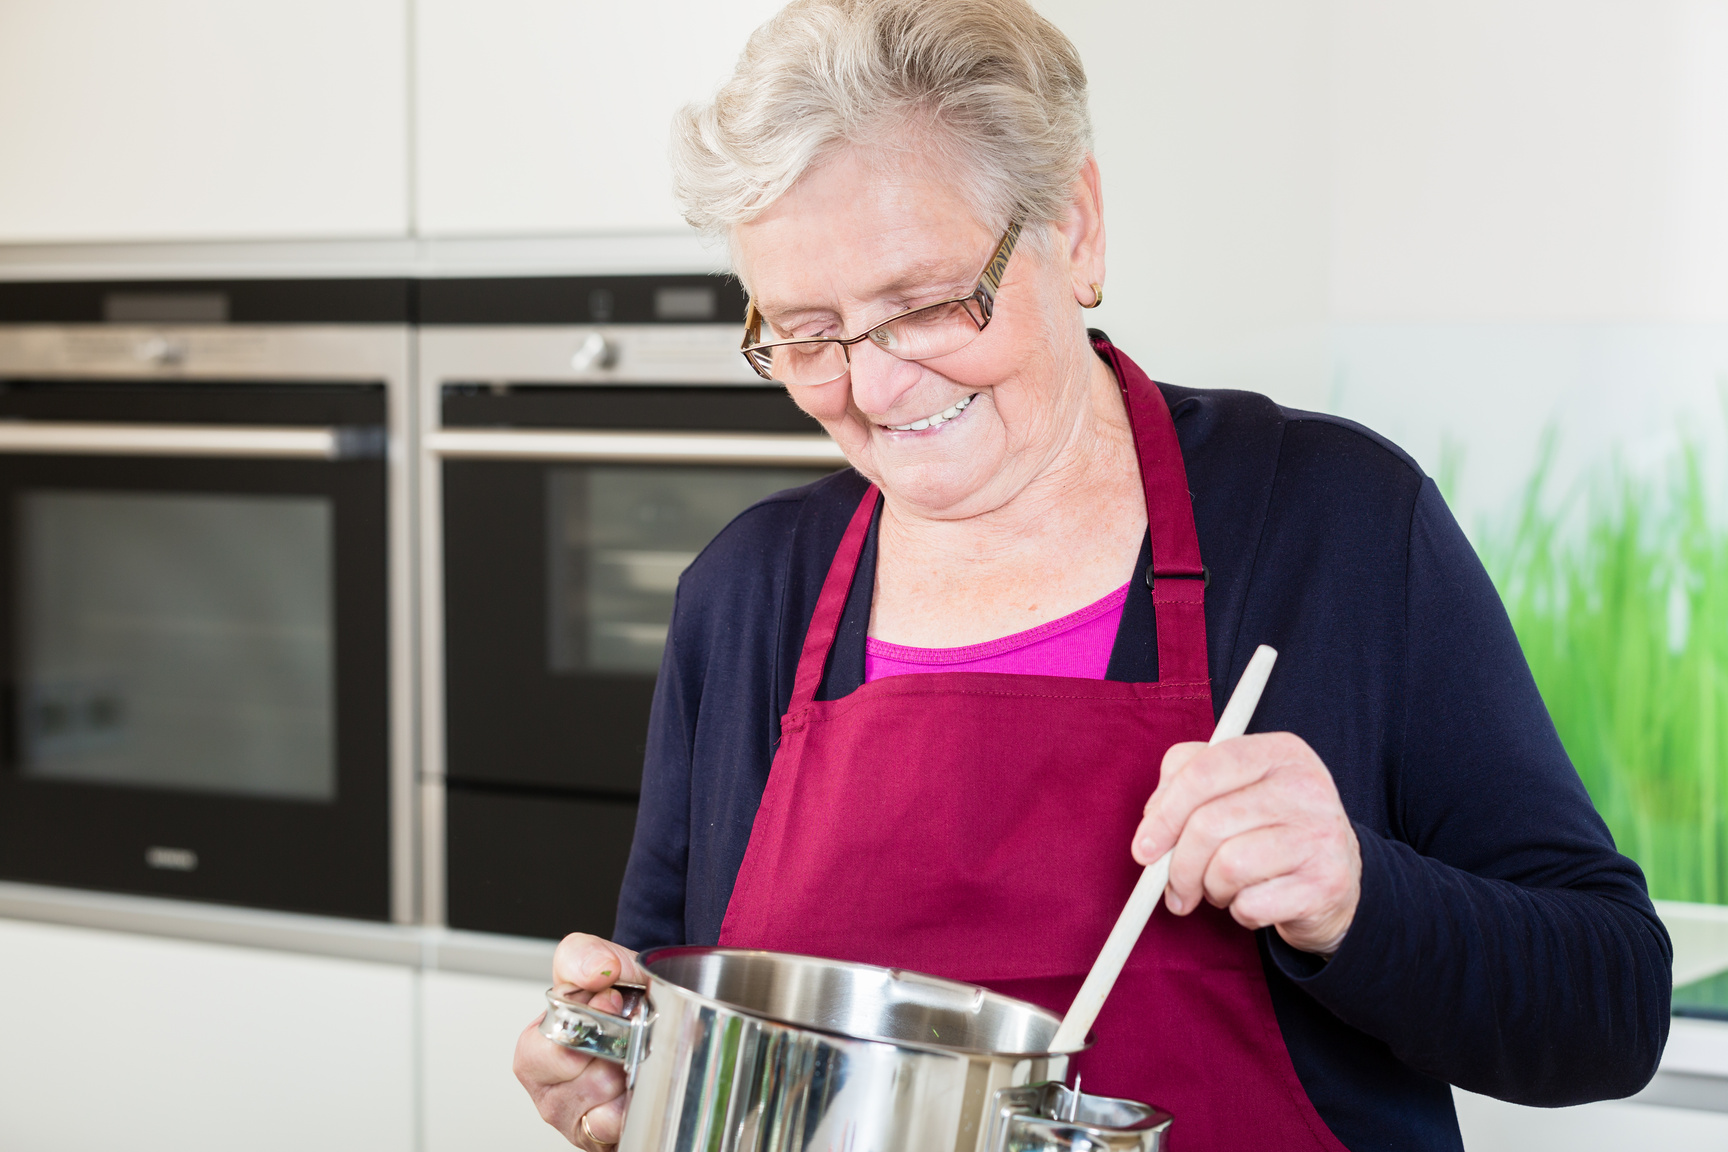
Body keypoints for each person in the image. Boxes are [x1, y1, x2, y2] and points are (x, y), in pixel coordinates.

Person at [513, 1, 1672, 1148]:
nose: (873, 390)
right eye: (807, 334)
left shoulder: (1334, 524)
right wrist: (616, 1064)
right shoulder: (748, 594)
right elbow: (673, 1025)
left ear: (1076, 226)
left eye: (921, 305)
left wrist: (1357, 896)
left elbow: (1610, 1011)